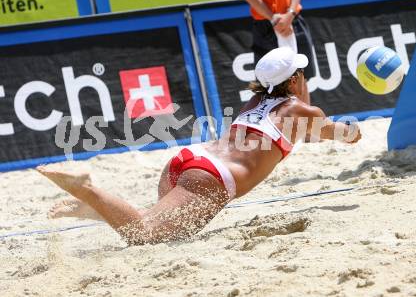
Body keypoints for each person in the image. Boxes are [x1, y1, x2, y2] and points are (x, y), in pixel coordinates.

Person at [38, 47, 361, 246]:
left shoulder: (254, 101)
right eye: (301, 74)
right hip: (213, 177)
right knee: (145, 235)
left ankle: (93, 209)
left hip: (191, 159)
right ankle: (87, 189)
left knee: (168, 230)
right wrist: (354, 128)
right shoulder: (300, 111)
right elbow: (341, 134)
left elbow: (306, 132)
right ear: (293, 81)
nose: (304, 78)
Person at [240, 0, 315, 104]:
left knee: (301, 77)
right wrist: (273, 18)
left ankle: (305, 123)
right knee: (270, 84)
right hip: (266, 23)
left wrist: (290, 15)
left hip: (293, 19)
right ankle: (279, 124)